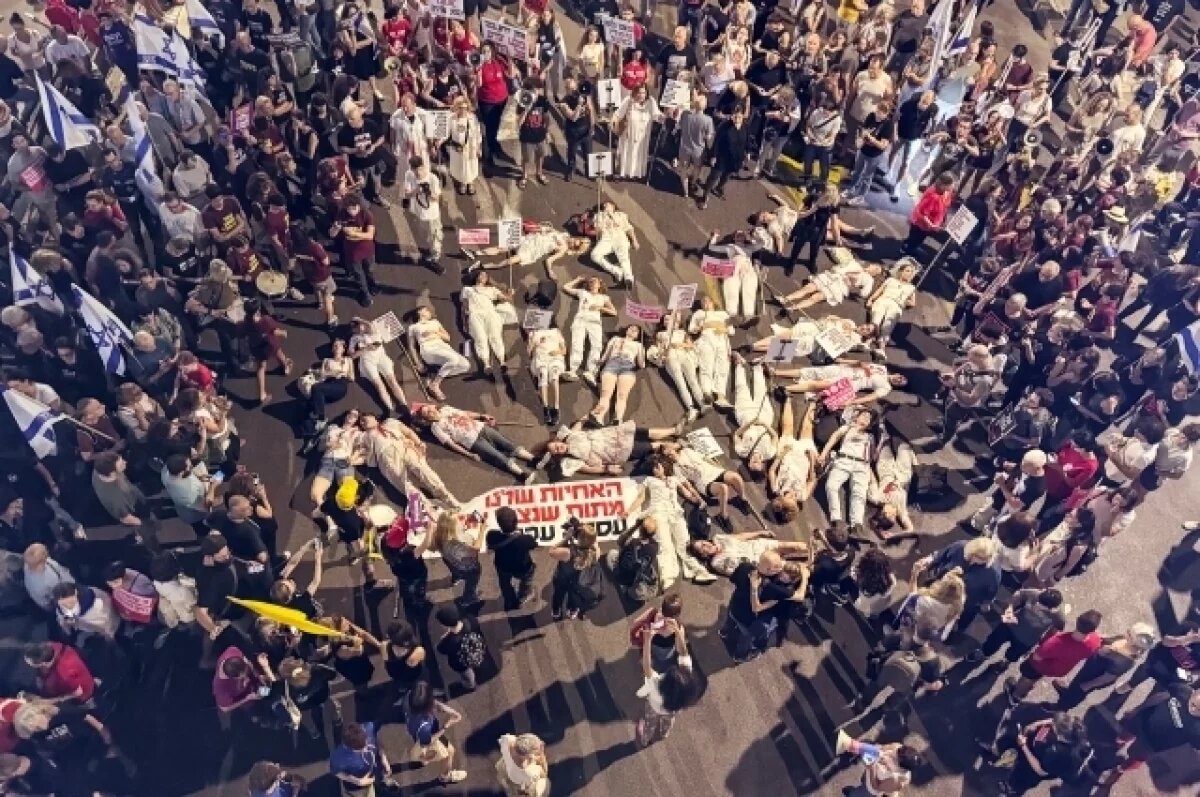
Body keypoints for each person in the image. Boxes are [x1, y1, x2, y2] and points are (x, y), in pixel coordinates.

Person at [1007, 610, 1104, 703]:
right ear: (1093, 630)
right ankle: (1028, 688)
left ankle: (1015, 696)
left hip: (1040, 666)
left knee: (1028, 676)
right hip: (1061, 669)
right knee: (1036, 677)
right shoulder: (1095, 642)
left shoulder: (1057, 641)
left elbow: (1037, 657)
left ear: (1078, 620)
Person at [635, 632, 700, 747]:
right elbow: (684, 655)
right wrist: (680, 635)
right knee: (669, 721)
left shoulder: (656, 684)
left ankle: (646, 739)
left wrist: (648, 640)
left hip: (654, 707)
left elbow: (646, 666)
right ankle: (664, 733)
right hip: (672, 710)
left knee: (650, 724)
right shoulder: (686, 683)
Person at [403, 683, 467, 785]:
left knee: (421, 748)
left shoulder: (410, 697)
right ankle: (445, 776)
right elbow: (427, 741)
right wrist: (446, 725)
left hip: (416, 733)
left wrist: (450, 711)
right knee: (450, 752)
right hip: (429, 736)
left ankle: (424, 760)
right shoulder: (424, 726)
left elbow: (433, 703)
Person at [548, 520, 604, 620]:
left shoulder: (568, 552)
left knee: (558, 594)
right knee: (573, 596)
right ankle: (572, 610)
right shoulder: (596, 552)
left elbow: (551, 552)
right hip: (578, 583)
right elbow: (594, 542)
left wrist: (566, 538)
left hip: (563, 579)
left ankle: (556, 611)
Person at [330, 720, 401, 794]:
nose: (367, 748)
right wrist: (357, 781)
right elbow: (336, 772)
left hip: (376, 769)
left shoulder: (370, 727)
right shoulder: (338, 757)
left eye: (367, 742)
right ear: (348, 747)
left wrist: (383, 757)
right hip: (359, 781)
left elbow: (377, 741)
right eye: (361, 748)